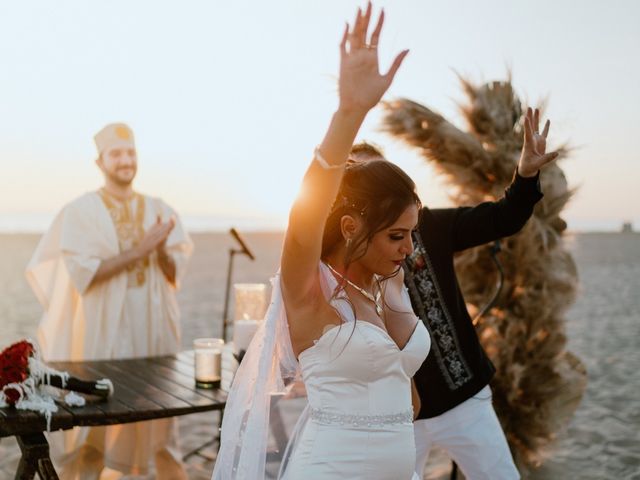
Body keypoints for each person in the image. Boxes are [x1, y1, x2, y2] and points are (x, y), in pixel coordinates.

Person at [212, 4, 429, 479]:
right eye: (397, 235)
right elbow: (304, 218)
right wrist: (349, 113)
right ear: (351, 227)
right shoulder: (309, 288)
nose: (409, 249)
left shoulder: (380, 285)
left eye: (411, 234)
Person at [350, 107, 558, 479]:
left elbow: (504, 217)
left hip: (465, 399)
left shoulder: (431, 226)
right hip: (394, 417)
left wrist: (525, 175)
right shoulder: (344, 257)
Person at [26, 122, 193, 480]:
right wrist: (140, 250)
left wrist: (160, 250)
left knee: (161, 428)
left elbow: (172, 273)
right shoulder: (80, 212)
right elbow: (85, 276)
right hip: (102, 334)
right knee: (93, 434)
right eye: (116, 153)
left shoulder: (159, 208)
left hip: (153, 332)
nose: (126, 160)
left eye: (131, 152)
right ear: (99, 161)